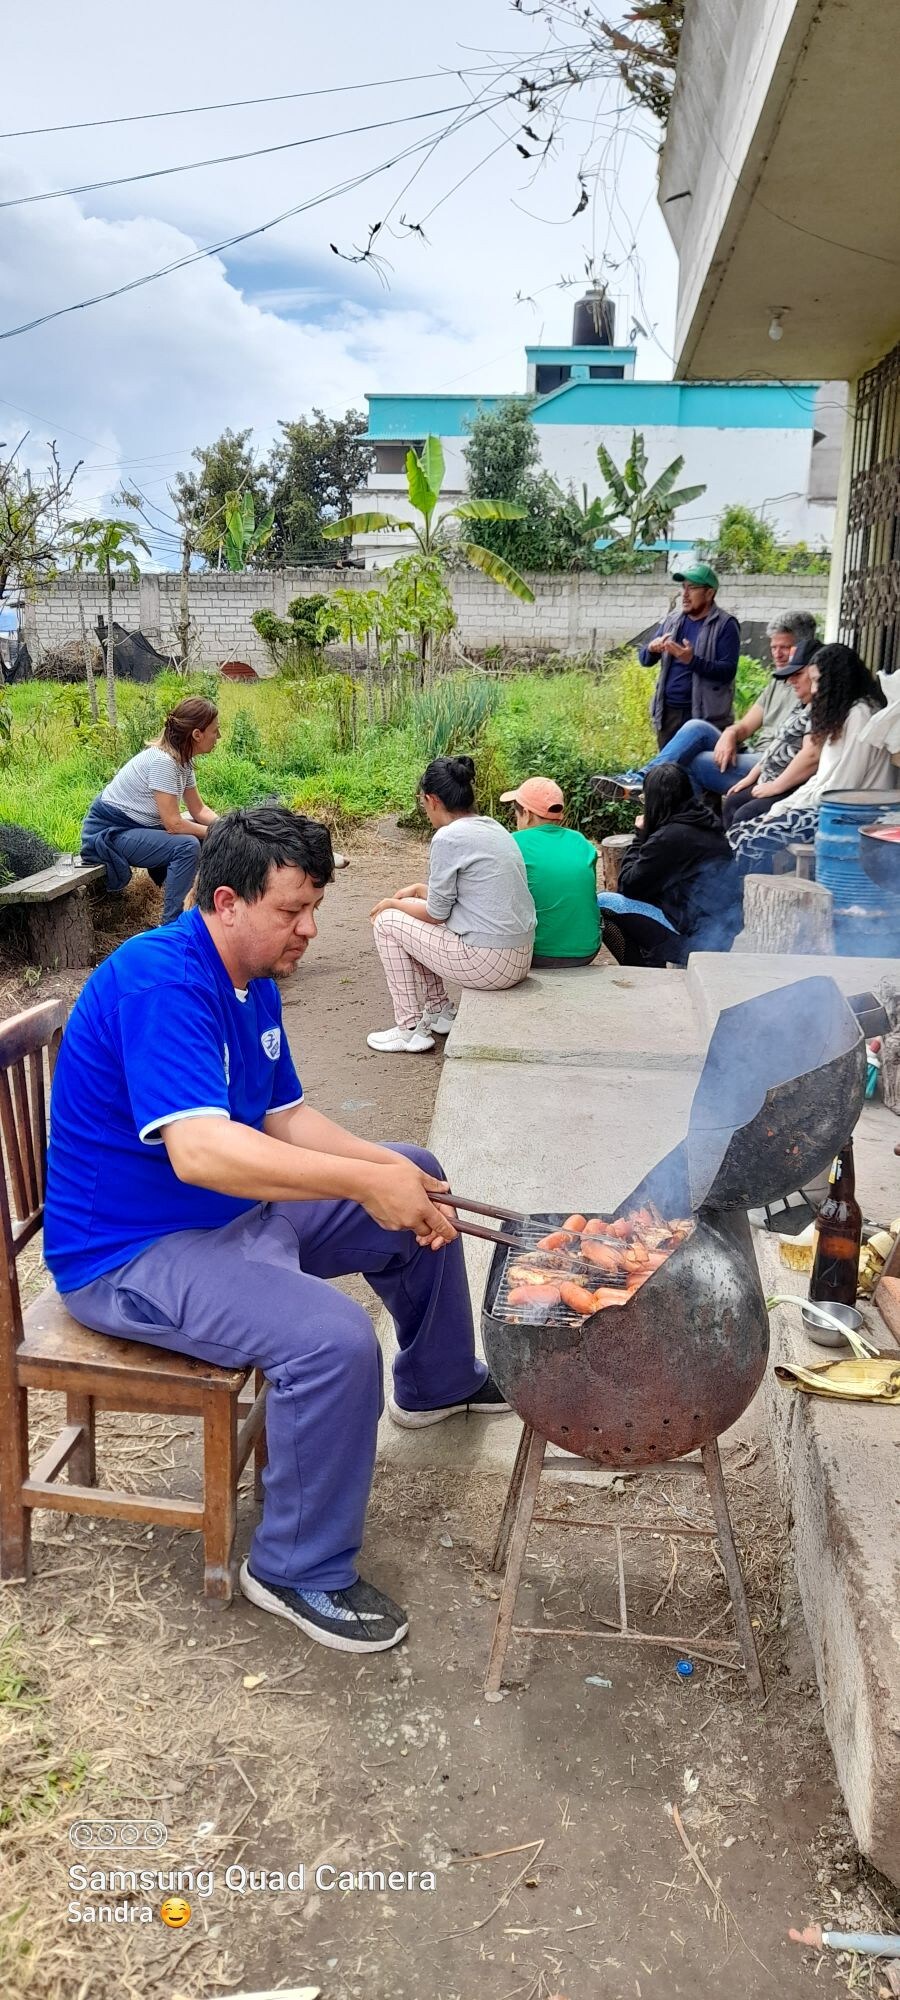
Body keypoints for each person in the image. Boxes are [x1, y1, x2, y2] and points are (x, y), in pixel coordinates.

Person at [43, 807, 508, 1656]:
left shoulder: (250, 980)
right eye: (292, 911)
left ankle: (438, 1381)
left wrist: (387, 1171)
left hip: (226, 1218)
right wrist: (366, 1182)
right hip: (131, 1254)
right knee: (331, 1340)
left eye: (314, 908)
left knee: (414, 1167)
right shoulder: (164, 982)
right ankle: (295, 1567)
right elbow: (204, 1152)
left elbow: (286, 1119)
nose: (309, 929)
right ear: (225, 901)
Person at [368, 756, 535, 1055]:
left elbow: (435, 914)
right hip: (519, 956)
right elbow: (468, 900)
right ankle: (439, 1011)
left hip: (490, 964)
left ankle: (408, 1029)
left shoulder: (448, 837)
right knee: (408, 915)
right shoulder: (493, 827)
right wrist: (420, 890)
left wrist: (393, 903)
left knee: (387, 921)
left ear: (431, 799)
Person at [593, 608, 818, 801]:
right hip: (754, 753)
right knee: (695, 727)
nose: (777, 655)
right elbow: (746, 727)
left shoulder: (813, 687)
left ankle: (679, 816)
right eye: (773, 647)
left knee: (694, 761)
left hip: (773, 762)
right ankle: (642, 778)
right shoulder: (777, 681)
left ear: (803, 648)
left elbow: (808, 752)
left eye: (785, 648)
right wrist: (730, 735)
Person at [728, 644, 892, 876]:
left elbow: (840, 790)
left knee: (753, 840)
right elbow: (820, 780)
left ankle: (743, 903)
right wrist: (781, 807)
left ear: (837, 681)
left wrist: (788, 808)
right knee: (739, 833)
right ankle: (741, 902)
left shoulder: (860, 714)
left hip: (848, 816)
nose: (814, 689)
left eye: (818, 681)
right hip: (826, 808)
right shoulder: (843, 715)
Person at [81, 697, 221, 923]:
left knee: (206, 836)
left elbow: (199, 809)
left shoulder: (182, 760)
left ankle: (202, 913)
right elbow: (173, 824)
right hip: (110, 833)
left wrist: (228, 827)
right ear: (197, 734)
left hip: (135, 827)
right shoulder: (164, 762)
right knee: (186, 846)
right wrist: (217, 832)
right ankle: (172, 924)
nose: (219, 737)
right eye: (215, 731)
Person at [597, 765, 742, 966]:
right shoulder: (706, 822)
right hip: (719, 936)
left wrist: (640, 836)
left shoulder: (669, 838)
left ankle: (643, 971)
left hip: (696, 942)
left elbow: (628, 885)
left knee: (604, 903)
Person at [501, 775, 601, 967]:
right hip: (586, 952)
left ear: (527, 814)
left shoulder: (513, 843)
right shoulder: (582, 842)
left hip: (535, 954)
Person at [640, 563, 740, 750]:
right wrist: (651, 650)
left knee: (698, 770)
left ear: (710, 593)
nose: (685, 594)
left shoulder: (725, 625)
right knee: (667, 772)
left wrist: (691, 660)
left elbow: (727, 671)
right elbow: (645, 660)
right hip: (669, 713)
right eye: (684, 587)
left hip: (704, 717)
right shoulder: (672, 620)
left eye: (692, 588)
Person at [721, 647, 818, 831]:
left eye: (798, 674)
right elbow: (778, 743)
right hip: (769, 779)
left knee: (745, 815)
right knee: (733, 800)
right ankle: (727, 857)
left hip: (792, 787)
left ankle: (744, 857)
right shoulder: (802, 706)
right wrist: (751, 777)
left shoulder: (820, 710)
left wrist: (775, 787)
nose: (791, 681)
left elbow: (811, 756)